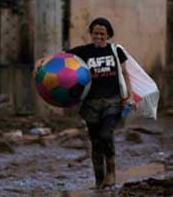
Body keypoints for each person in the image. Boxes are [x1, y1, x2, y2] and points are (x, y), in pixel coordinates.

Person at [36, 17, 134, 189]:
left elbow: (125, 74)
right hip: (91, 103)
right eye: (95, 33)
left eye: (102, 34)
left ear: (108, 35)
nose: (98, 36)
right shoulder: (83, 52)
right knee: (95, 141)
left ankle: (111, 171)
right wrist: (42, 61)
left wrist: (130, 96)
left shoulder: (116, 51)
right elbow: (61, 56)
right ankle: (99, 179)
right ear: (91, 34)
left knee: (106, 135)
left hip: (112, 100)